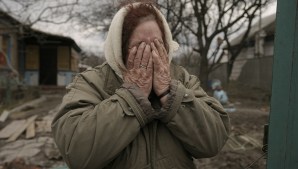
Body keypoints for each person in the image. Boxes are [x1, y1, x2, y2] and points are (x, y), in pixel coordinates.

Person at [51, 1, 230, 169]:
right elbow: (76, 153)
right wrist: (132, 97)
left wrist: (170, 94)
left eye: (157, 45)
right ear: (120, 49)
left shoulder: (182, 78)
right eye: (139, 48)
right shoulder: (91, 82)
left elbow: (213, 142)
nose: (151, 55)